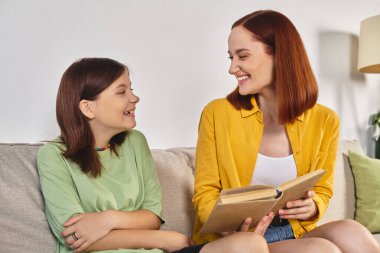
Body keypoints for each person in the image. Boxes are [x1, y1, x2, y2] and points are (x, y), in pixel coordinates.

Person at [37, 57, 273, 253]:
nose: (134, 98)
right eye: (122, 92)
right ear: (88, 108)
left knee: (250, 244)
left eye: (132, 89)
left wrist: (108, 219)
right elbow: (75, 236)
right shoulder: (53, 156)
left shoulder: (135, 142)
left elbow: (152, 215)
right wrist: (166, 240)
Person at [192, 10, 380, 253]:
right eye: (231, 57)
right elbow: (204, 195)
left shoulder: (325, 120)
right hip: (241, 239)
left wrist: (312, 207)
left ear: (280, 56)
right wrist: (231, 226)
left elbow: (322, 189)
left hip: (294, 229)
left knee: (353, 231)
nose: (232, 68)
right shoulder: (217, 113)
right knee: (322, 250)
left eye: (243, 56)